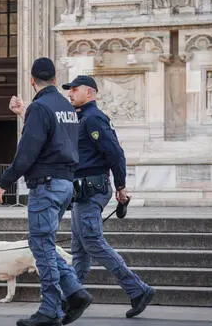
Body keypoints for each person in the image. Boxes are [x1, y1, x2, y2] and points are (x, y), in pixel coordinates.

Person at [0, 58, 92, 326]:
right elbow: (55, 136)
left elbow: (27, 152)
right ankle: (74, 291)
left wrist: (3, 182)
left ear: (32, 80)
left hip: (46, 184)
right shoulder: (65, 106)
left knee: (41, 246)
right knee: (44, 243)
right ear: (55, 79)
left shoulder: (40, 107)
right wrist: (26, 111)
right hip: (65, 183)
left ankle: (50, 308)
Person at [61, 75, 154, 318]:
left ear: (90, 92)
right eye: (69, 90)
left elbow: (115, 152)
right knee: (79, 248)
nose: (70, 93)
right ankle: (71, 297)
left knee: (92, 242)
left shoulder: (93, 118)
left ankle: (137, 289)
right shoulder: (81, 117)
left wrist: (121, 186)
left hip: (92, 189)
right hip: (82, 192)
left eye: (74, 89)